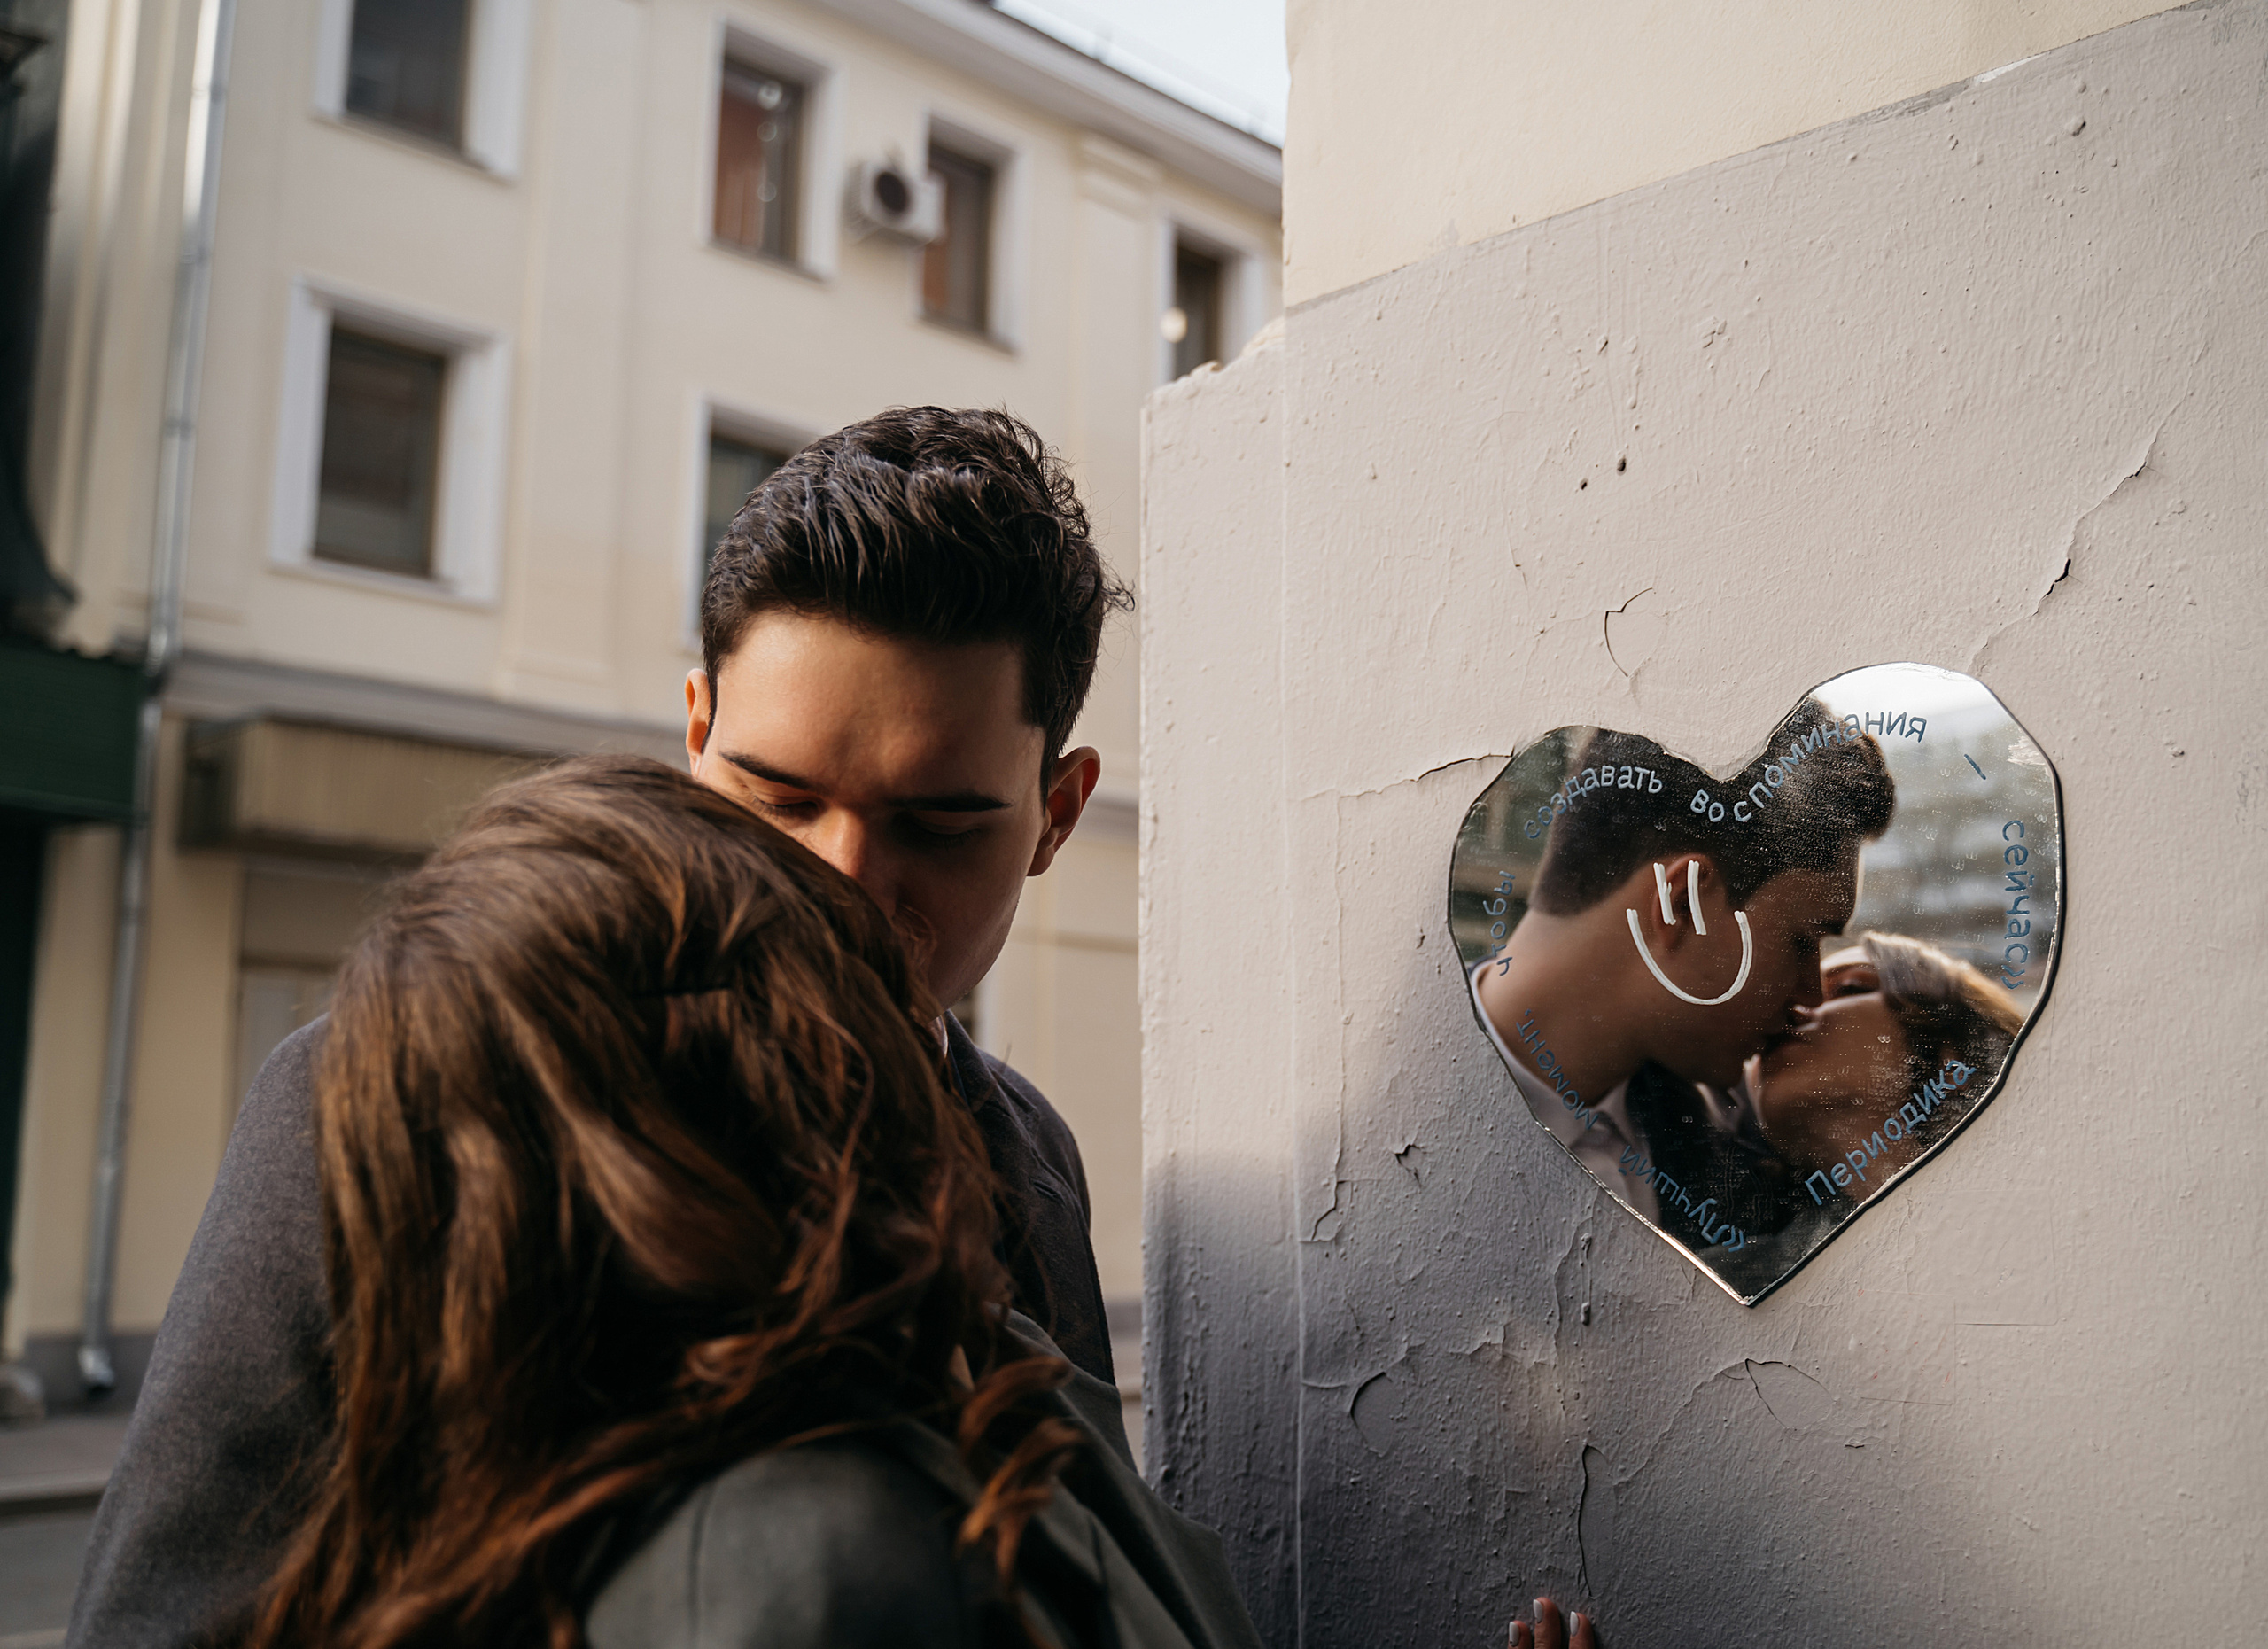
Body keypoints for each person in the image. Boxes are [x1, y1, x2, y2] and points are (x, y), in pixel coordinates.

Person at [70, 408, 1133, 1648]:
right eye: (778, 797)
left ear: (1056, 815)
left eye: (938, 828)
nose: (841, 888)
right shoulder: (391, 1089)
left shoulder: (1032, 1156)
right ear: (694, 736)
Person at [1472, 703, 1895, 1256]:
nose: (1812, 994)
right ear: (1681, 904)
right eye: (1802, 941)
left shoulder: (1740, 1151)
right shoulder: (1374, 1165)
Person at [1707, 931, 2023, 1294]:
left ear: (1955, 1059)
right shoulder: (1715, 1288)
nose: (1791, 1012)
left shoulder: (2029, 1239)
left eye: (1849, 988)